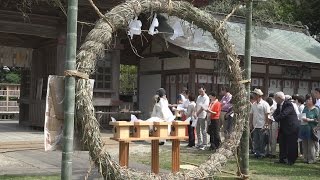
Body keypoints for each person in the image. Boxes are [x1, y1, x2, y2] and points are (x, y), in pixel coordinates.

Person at [273, 91, 299, 165]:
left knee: (291, 144)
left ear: (279, 98)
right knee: (282, 143)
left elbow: (284, 114)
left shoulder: (288, 104)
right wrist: (272, 117)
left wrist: (274, 119)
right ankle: (282, 158)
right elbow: (276, 112)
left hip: (292, 127)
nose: (275, 100)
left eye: (275, 99)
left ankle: (291, 160)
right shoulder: (278, 105)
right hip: (283, 127)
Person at [250, 88, 270, 158]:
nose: (253, 96)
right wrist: (251, 124)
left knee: (262, 141)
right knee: (256, 140)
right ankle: (257, 152)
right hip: (255, 125)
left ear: (258, 95)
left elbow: (267, 114)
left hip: (262, 125)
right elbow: (251, 114)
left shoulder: (265, 104)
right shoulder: (254, 104)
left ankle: (262, 153)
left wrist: (266, 124)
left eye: (254, 95)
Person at [299, 94, 319, 164]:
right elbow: (302, 116)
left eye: (309, 99)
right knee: (304, 143)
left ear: (313, 100)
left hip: (312, 128)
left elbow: (318, 120)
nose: (307, 101)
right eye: (307, 99)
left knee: (311, 144)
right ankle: (306, 157)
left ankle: (312, 158)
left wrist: (310, 120)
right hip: (304, 127)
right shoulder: (305, 108)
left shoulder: (316, 109)